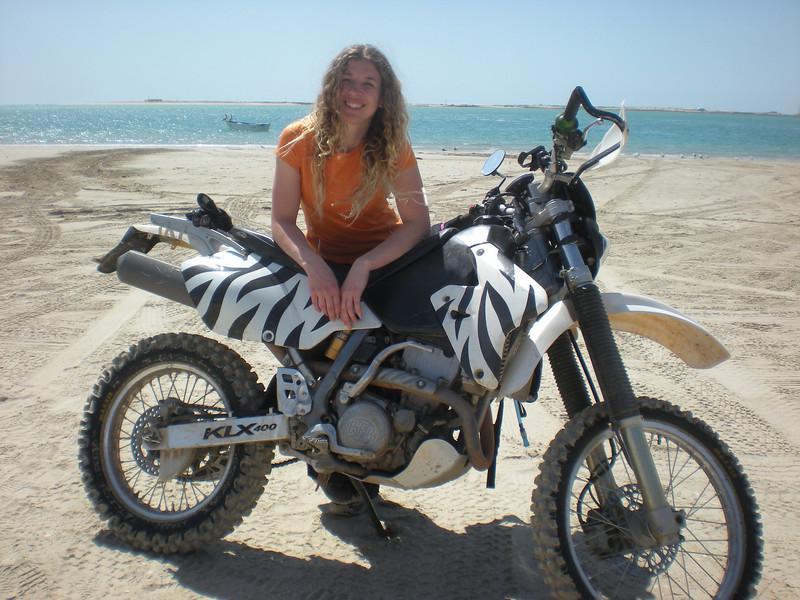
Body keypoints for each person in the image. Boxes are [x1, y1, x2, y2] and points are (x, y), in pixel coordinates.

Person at [271, 44, 430, 513]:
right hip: (321, 263)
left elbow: (417, 224)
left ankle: (372, 457)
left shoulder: (393, 146)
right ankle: (323, 459)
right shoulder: (297, 139)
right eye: (348, 81)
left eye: (368, 83)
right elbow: (281, 221)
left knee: (384, 366)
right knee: (317, 366)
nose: (355, 92)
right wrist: (315, 267)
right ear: (331, 87)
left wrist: (364, 267)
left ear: (383, 98)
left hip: (383, 261)